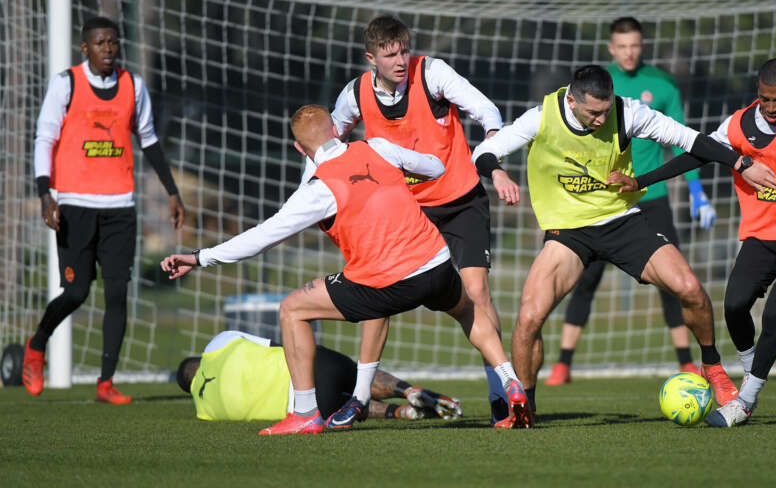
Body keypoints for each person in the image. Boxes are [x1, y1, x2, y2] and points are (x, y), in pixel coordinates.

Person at [161, 105, 526, 435]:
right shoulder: (377, 147)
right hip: (435, 261)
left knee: (292, 309)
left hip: (388, 283)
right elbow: (435, 166)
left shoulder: (317, 190)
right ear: (337, 131)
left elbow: (262, 237)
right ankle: (510, 383)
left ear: (299, 149)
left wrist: (200, 257)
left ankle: (305, 413)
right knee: (466, 309)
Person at [472, 65, 776, 424]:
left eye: (606, 110)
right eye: (593, 112)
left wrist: (741, 163)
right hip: (568, 231)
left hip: (621, 221)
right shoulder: (540, 117)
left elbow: (691, 140)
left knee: (690, 289)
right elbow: (485, 151)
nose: (601, 118)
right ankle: (524, 406)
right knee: (529, 317)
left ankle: (712, 367)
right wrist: (496, 172)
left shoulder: (628, 112)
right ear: (571, 100)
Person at [614, 58, 776, 427]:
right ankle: (749, 367)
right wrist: (643, 180)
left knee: (775, 314)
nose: (772, 108)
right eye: (765, 99)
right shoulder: (739, 123)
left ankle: (745, 400)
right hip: (761, 236)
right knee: (734, 306)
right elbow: (698, 154)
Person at [309, 15, 509, 422]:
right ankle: (359, 398)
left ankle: (500, 394)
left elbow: (486, 109)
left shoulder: (432, 73)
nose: (401, 60)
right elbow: (327, 141)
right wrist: (318, 190)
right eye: (390, 54)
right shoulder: (355, 94)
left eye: (404, 50)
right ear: (372, 58)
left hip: (460, 199)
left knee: (476, 293)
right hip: (406, 209)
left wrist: (493, 142)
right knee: (376, 287)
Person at [22, 16, 186, 404]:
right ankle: (36, 344)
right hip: (75, 205)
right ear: (85, 48)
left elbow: (148, 140)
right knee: (77, 291)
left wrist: (173, 192)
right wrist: (46, 194)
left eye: (113, 42)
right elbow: (45, 138)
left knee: (117, 293)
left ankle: (105, 382)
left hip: (120, 207)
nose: (108, 49)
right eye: (100, 43)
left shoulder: (133, 86)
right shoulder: (66, 83)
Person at [546, 17, 716, 386]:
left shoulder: (663, 85)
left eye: (635, 45)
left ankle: (687, 361)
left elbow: (680, 140)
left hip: (651, 200)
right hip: (601, 204)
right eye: (622, 46)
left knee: (673, 282)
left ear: (643, 45)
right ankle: (563, 363)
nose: (628, 52)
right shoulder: (597, 86)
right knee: (585, 281)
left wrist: (698, 192)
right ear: (611, 48)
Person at [177, 330, 463, 423]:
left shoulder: (204, 411)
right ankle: (407, 389)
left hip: (310, 409)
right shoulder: (217, 344)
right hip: (317, 366)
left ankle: (401, 412)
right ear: (198, 361)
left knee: (340, 402)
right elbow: (277, 344)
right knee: (355, 376)